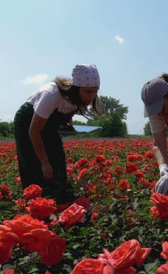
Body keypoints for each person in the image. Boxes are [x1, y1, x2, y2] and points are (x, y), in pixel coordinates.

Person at [14, 64, 102, 204]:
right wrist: (44, 162)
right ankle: (35, 205)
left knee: (57, 161)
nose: (92, 96)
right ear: (75, 88)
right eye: (88, 92)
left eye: (95, 91)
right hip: (28, 123)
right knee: (34, 166)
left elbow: (65, 111)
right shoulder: (51, 95)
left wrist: (69, 126)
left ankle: (60, 202)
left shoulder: (78, 97)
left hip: (48, 124)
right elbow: (34, 131)